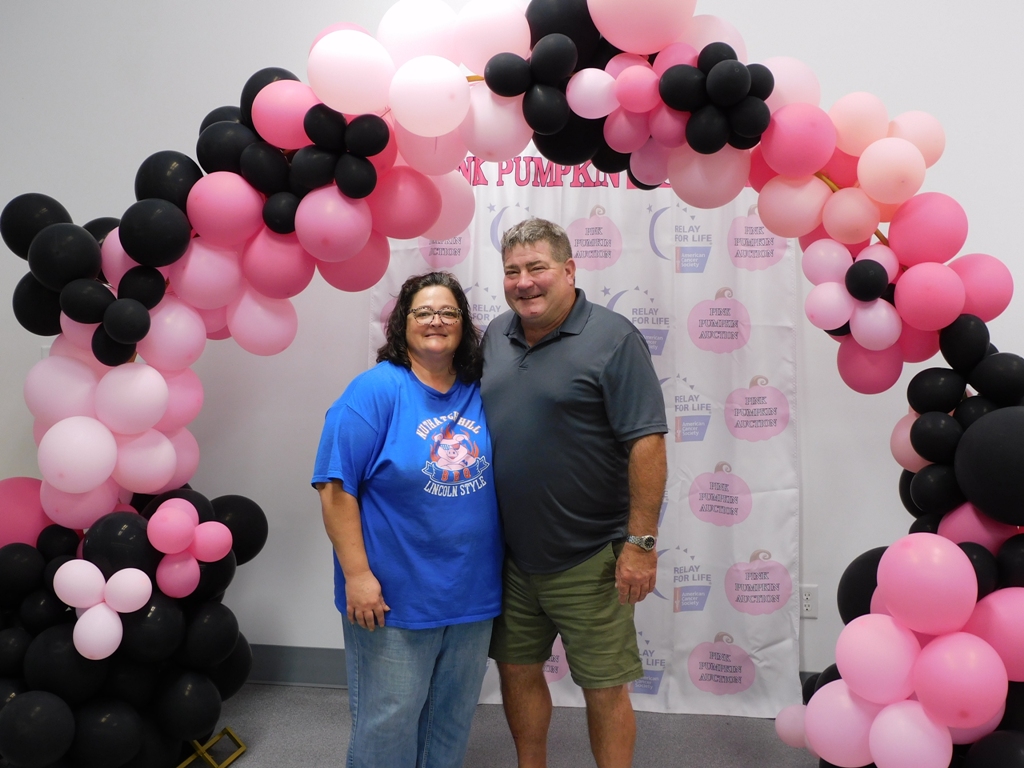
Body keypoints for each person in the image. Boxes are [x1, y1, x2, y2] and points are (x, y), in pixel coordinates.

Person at [481, 218, 668, 768]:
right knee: (516, 672)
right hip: (510, 557)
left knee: (604, 687)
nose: (524, 282)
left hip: (590, 556)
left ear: (568, 270)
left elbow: (647, 444)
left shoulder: (613, 338)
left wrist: (641, 544)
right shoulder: (495, 334)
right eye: (512, 271)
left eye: (536, 267)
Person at [312, 271, 504, 768]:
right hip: (394, 596)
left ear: (463, 323)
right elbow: (334, 488)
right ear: (403, 323)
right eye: (424, 312)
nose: (436, 321)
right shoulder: (374, 391)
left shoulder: (480, 389)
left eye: (448, 312)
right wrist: (357, 576)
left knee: (451, 720)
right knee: (388, 722)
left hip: (471, 593)